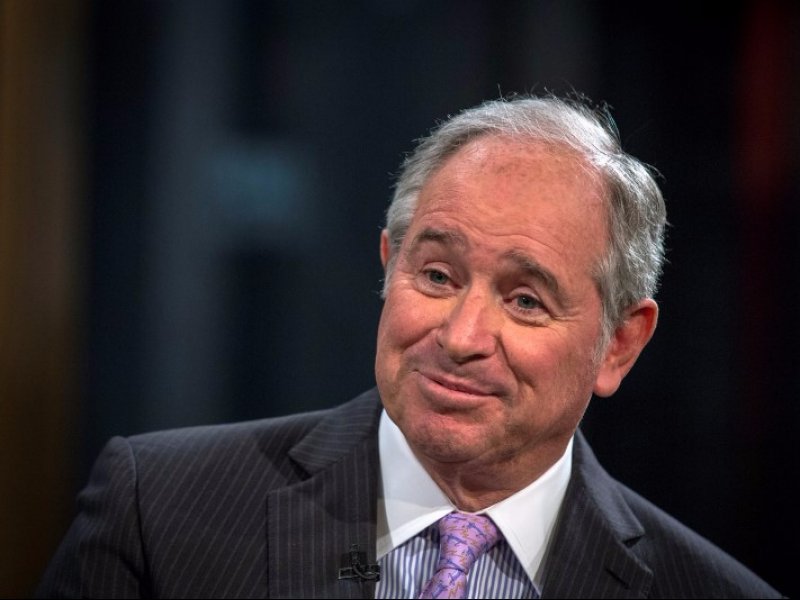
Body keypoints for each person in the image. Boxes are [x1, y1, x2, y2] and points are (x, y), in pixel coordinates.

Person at [37, 95, 782, 599]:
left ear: (620, 344)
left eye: (525, 301)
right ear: (388, 264)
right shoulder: (154, 512)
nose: (459, 338)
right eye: (436, 274)